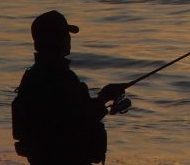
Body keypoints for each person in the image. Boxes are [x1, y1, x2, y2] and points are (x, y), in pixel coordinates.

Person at [12, 10, 128, 165]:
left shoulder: (33, 76)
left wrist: (102, 99)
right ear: (57, 40)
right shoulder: (60, 77)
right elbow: (81, 117)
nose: (69, 39)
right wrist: (104, 98)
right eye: (65, 35)